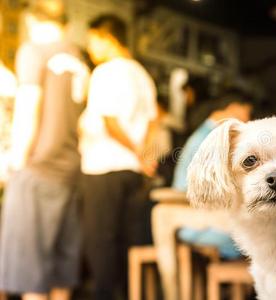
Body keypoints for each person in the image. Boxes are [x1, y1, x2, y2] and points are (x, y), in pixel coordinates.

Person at [0, 0, 88, 299]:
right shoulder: (78, 58)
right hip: (69, 171)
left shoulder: (33, 51)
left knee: (31, 275)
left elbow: (29, 107)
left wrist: (15, 161)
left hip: (37, 171)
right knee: (60, 270)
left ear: (30, 21)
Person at [79, 14, 158, 300]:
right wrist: (143, 156)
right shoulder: (141, 74)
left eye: (93, 41)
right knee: (126, 241)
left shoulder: (106, 72)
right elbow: (153, 121)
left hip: (104, 167)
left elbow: (109, 123)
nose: (90, 49)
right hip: (132, 171)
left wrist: (137, 152)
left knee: (100, 241)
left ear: (107, 38)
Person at [172, 92, 253, 259]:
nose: (248, 121)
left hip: (197, 215)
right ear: (233, 108)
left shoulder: (207, 134)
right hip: (194, 220)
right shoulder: (210, 139)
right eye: (246, 114)